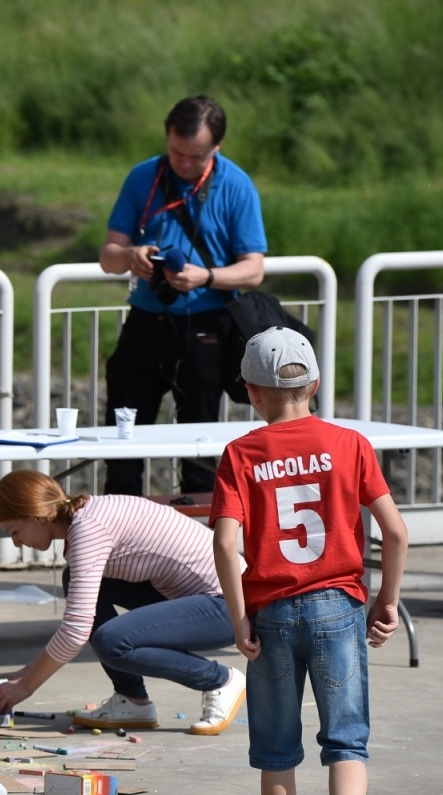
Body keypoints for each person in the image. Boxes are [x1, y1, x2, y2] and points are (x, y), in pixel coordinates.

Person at [210, 327, 409, 795]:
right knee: (347, 743)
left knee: (276, 756)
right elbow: (395, 532)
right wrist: (386, 601)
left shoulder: (241, 454)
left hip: (271, 612)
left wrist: (239, 617)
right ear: (315, 384)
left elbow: (225, 544)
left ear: (251, 392)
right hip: (337, 608)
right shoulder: (350, 444)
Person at [0, 469, 245, 736]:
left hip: (232, 606)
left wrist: (26, 686)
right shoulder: (86, 516)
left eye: (15, 531)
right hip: (203, 598)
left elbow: (75, 632)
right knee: (76, 580)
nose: (16, 543)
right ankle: (132, 700)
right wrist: (23, 674)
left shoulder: (88, 529)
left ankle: (219, 681)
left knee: (112, 641)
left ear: (37, 515)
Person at [99, 95, 267, 496]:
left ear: (217, 147)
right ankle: (118, 527)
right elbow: (108, 257)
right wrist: (132, 256)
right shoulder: (143, 177)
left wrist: (205, 277)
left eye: (196, 157)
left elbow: (254, 269)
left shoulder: (236, 185)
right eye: (177, 152)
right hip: (145, 324)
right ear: (167, 138)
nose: (185, 164)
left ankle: (200, 534)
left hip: (206, 330)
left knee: (200, 452)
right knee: (121, 441)